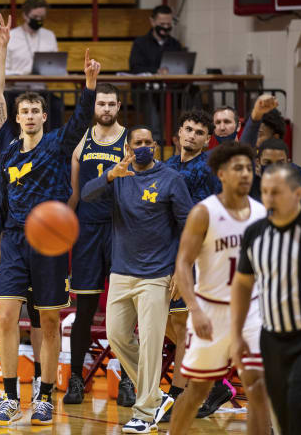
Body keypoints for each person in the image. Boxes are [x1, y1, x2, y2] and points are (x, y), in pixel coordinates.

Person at [0, 13, 100, 427]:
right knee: (6, 317)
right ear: (16, 117)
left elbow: (83, 119)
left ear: (44, 117)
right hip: (11, 240)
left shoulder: (60, 146)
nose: (27, 116)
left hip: (49, 243)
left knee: (47, 321)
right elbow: (1, 206)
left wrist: (90, 86)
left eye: (33, 111)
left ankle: (44, 396)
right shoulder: (6, 148)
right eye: (22, 111)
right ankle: (8, 397)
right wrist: (2, 48)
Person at [81, 125, 193, 433]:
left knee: (151, 343)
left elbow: (190, 228)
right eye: (137, 143)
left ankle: (144, 414)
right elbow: (87, 196)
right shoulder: (119, 176)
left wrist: (182, 271)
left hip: (157, 276)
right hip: (121, 271)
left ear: (155, 147)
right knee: (116, 336)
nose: (142, 147)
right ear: (128, 149)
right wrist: (109, 176)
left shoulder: (172, 180)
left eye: (147, 142)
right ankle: (156, 395)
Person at [168, 143, 271, 435]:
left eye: (249, 168)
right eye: (238, 168)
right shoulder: (204, 213)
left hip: (250, 311)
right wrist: (195, 309)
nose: (245, 174)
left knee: (258, 384)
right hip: (210, 311)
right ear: (222, 174)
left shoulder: (261, 214)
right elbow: (183, 264)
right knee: (198, 391)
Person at [230, 163, 301, 435]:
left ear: (297, 194)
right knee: (285, 418)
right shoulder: (254, 234)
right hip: (272, 338)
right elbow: (242, 283)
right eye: (264, 192)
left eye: (276, 192)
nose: (269, 198)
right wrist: (236, 332)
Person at [63, 83, 134, 406]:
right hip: (88, 231)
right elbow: (76, 192)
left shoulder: (130, 140)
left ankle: (128, 380)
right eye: (101, 103)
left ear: (119, 106)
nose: (105, 108)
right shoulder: (83, 139)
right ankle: (76, 378)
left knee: (124, 311)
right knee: (85, 310)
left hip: (120, 229)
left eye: (111, 103)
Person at [164, 109, 226, 419]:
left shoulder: (208, 170)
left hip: (194, 255)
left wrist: (184, 264)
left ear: (207, 139)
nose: (192, 135)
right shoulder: (168, 166)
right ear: (179, 133)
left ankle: (179, 397)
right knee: (164, 322)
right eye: (188, 129)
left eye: (199, 132)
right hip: (164, 253)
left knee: (180, 324)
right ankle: (212, 380)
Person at [4, 0, 63, 131]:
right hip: (15, 90)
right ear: (25, 15)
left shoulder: (49, 35)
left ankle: (52, 145)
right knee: (9, 109)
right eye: (35, 17)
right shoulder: (11, 36)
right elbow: (3, 69)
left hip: (40, 90)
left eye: (42, 17)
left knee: (56, 105)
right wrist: (19, 75)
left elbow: (54, 65)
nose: (38, 20)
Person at [128, 4, 182, 142]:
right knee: (148, 100)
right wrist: (156, 71)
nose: (165, 27)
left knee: (191, 93)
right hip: (145, 91)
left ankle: (180, 139)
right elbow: (135, 67)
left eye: (168, 24)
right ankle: (156, 144)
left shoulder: (175, 44)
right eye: (162, 24)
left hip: (169, 90)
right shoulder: (140, 43)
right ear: (152, 22)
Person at [239, 94, 301, 187]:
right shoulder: (247, 173)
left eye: (259, 134)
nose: (253, 140)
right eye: (267, 162)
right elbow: (243, 149)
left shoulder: (300, 174)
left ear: (275, 137)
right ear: (258, 161)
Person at [250, 138, 301, 217]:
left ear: (288, 163)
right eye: (268, 162)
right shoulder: (249, 191)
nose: (274, 168)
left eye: (280, 163)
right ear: (258, 162)